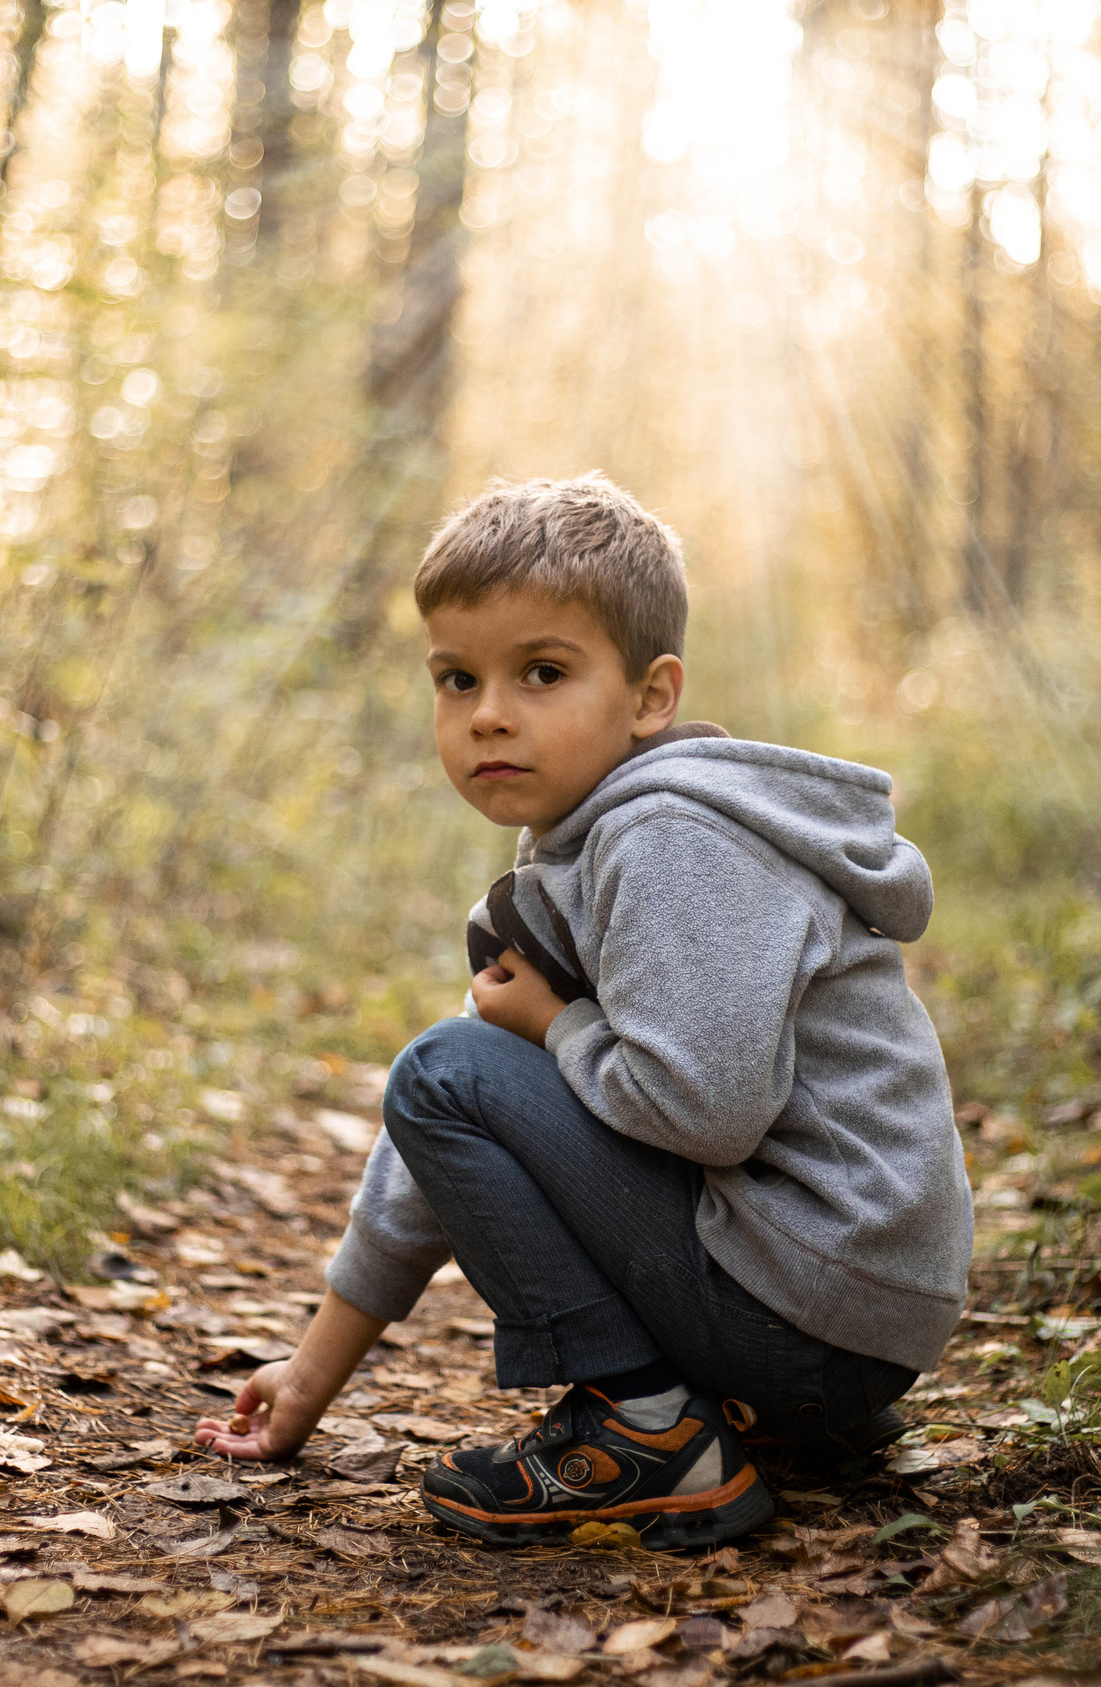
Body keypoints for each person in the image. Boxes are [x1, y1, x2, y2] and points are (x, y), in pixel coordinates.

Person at [194, 475, 972, 1550]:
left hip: (815, 1309)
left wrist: (556, 1026)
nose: (489, 714)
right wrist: (312, 1373)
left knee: (444, 1069)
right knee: (459, 1072)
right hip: (834, 1324)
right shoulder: (579, 854)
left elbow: (705, 1113)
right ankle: (765, 1419)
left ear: (650, 696)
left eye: (543, 673)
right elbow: (451, 1140)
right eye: (455, 678)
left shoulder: (670, 842)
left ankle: (647, 1428)